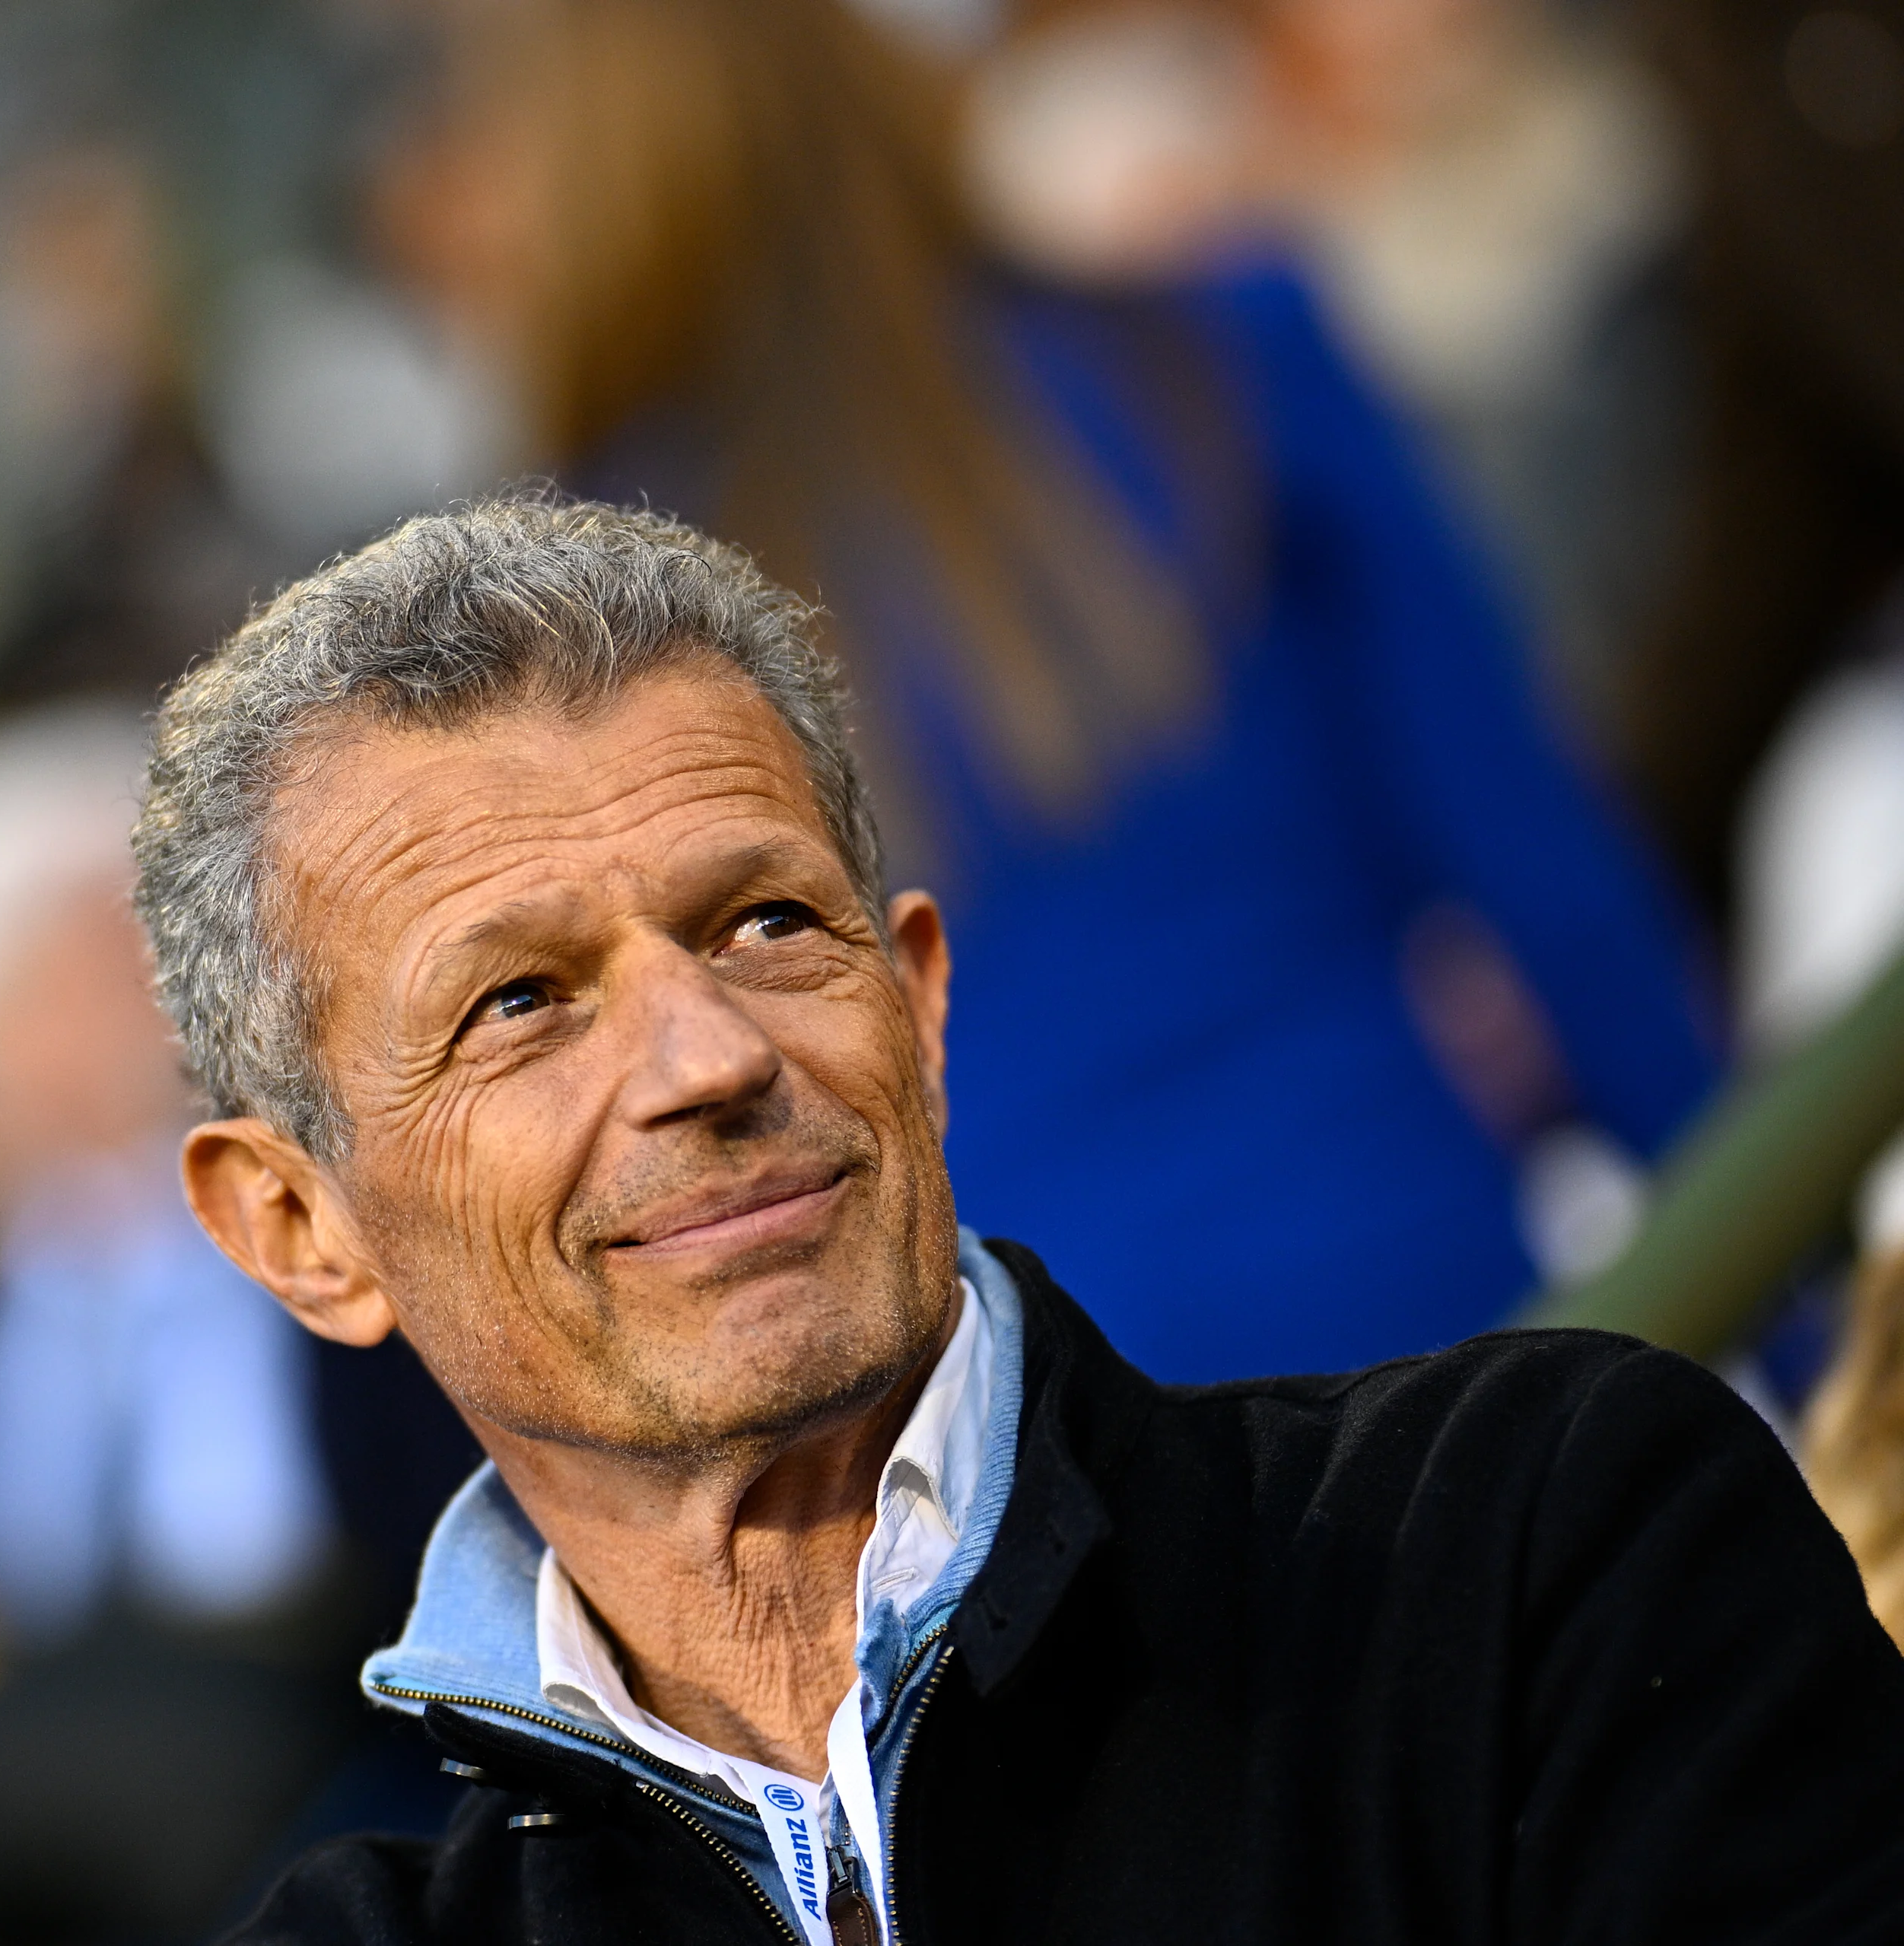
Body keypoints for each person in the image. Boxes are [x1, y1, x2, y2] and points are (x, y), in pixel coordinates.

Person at [132, 496, 1904, 1945]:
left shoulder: (1543, 1542)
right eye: (520, 1001)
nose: (707, 1054)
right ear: (298, 1226)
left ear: (915, 999)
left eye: (763, 924)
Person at [368, 0, 1718, 1379]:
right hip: (1417, 1314)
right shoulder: (1224, 357)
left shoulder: (591, 610)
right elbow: (1558, 891)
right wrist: (1797, 1334)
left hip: (1012, 1432)